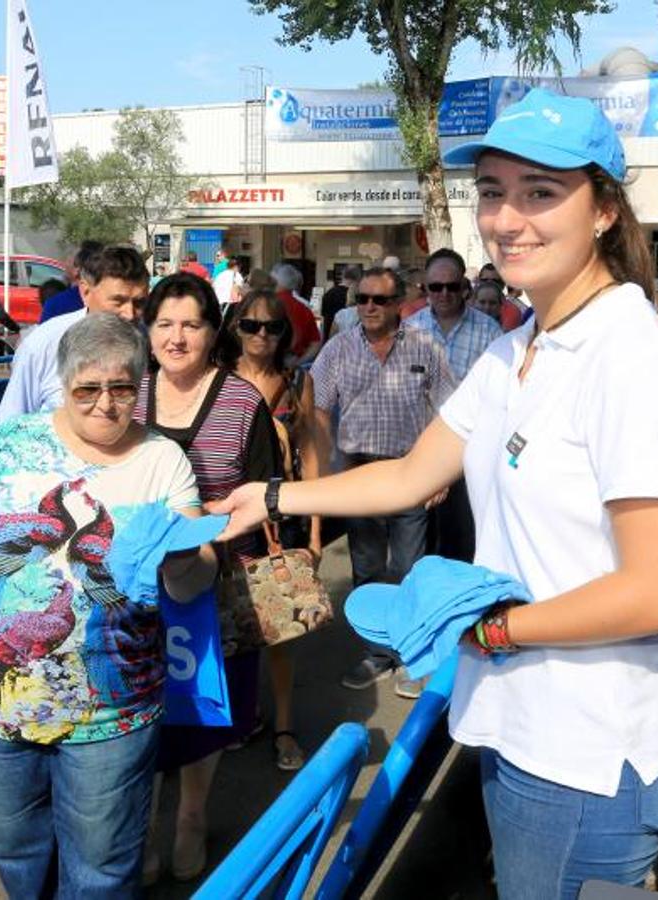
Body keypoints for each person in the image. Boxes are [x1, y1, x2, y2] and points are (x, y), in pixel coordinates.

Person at [214, 88, 658, 899]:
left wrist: (491, 632)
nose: (507, 220)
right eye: (492, 193)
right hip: (517, 731)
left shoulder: (629, 358)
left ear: (606, 210)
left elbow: (657, 590)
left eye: (541, 193)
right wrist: (271, 498)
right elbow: (410, 474)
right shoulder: (517, 348)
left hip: (585, 758)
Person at [0, 313, 218, 897]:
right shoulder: (12, 443)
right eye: (88, 389)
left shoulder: (164, 461)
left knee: (103, 867)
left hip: (110, 712)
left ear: (140, 385)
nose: (105, 404)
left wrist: (183, 557)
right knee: (13, 846)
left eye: (122, 388)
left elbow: (195, 577)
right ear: (63, 384)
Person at [133, 272, 280, 882]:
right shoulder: (129, 394)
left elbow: (268, 492)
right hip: (137, 585)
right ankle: (141, 827)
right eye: (164, 323)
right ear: (147, 330)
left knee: (205, 706)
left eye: (191, 324)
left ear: (212, 330)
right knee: (140, 707)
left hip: (220, 581)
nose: (177, 337)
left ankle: (192, 815)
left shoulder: (243, 401)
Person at [311, 265, 457, 698]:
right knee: (367, 567)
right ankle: (378, 652)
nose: (369, 307)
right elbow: (317, 407)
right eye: (363, 300)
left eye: (379, 300)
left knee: (409, 568)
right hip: (359, 473)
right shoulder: (338, 350)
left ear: (398, 305)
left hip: (412, 471)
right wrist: (320, 469)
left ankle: (411, 656)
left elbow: (449, 411)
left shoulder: (426, 344)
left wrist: (441, 471)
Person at [220, 287, 325, 773]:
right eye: (251, 325)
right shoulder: (218, 379)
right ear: (236, 327)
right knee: (235, 623)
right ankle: (244, 714)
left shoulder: (297, 379)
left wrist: (318, 532)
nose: (262, 335)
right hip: (231, 516)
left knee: (283, 629)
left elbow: (312, 455)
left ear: (286, 332)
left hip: (284, 515)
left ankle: (283, 725)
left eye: (273, 326)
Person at [405, 248, 502, 566]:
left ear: (464, 287)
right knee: (415, 555)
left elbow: (497, 400)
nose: (443, 294)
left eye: (451, 286)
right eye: (435, 287)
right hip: (418, 454)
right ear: (426, 289)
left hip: (469, 458)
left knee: (461, 551)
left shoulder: (489, 332)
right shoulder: (410, 330)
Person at [0, 245, 150, 424]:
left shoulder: (155, 345)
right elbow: (9, 427)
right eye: (118, 301)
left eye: (139, 303)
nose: (129, 314)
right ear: (85, 292)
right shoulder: (43, 344)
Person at [40, 240, 105, 322]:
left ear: (77, 269)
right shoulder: (112, 300)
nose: (65, 263)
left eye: (70, 258)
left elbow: (44, 333)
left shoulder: (56, 304)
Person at [269, 262, 321, 361]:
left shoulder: (265, 303)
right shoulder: (304, 308)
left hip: (266, 361)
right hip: (291, 362)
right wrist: (299, 362)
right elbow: (316, 343)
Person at [319, 265, 360, 342]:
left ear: (342, 276)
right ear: (357, 278)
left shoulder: (328, 294)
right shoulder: (355, 295)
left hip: (329, 340)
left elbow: (324, 320)